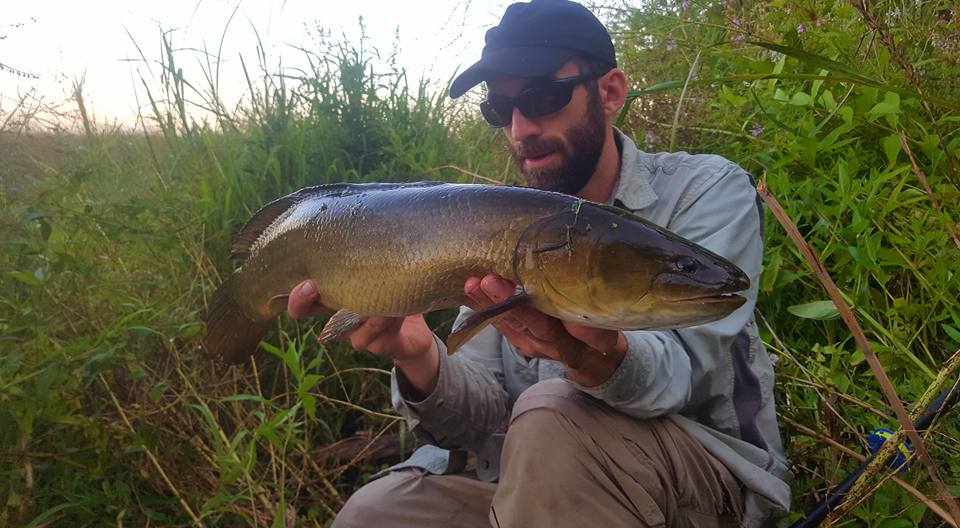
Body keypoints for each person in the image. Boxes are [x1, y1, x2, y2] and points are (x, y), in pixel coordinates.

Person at [288, 1, 791, 526]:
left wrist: (593, 354)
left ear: (610, 92)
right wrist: (419, 359)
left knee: (550, 421)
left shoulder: (706, 190)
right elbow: (486, 422)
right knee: (374, 514)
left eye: (543, 97)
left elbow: (684, 373)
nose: (520, 128)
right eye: (500, 110)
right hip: (536, 477)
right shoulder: (498, 226)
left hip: (697, 480)